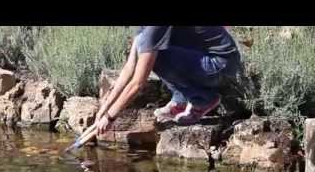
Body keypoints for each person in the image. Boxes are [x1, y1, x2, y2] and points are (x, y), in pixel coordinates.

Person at [96, 26, 242, 135]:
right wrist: (105, 107)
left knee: (154, 56)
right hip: (204, 57)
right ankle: (181, 99)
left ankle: (203, 99)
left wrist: (110, 117)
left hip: (222, 65)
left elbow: (137, 83)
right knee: (147, 47)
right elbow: (129, 67)